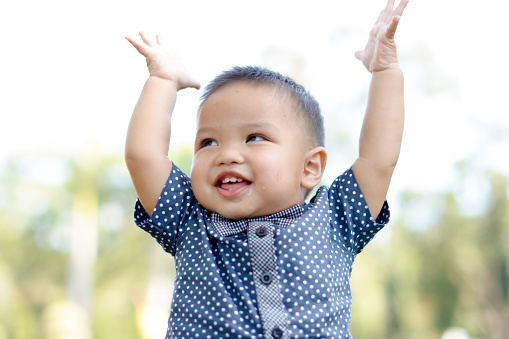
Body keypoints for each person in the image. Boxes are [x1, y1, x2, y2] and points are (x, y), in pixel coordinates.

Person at [125, 0, 407, 337]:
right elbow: (144, 157)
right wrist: (163, 81)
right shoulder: (188, 220)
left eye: (254, 137)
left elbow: (378, 161)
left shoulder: (336, 219)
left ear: (310, 167)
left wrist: (386, 72)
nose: (226, 155)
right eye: (208, 142)